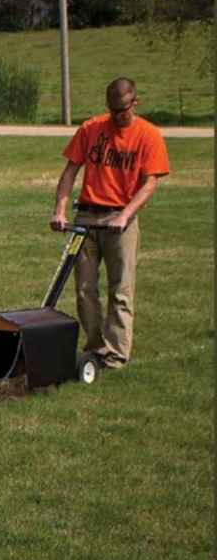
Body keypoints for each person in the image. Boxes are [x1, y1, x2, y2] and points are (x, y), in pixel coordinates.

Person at [50, 77, 170, 370]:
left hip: (121, 220)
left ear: (135, 102)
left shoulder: (148, 135)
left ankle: (116, 355)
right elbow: (70, 172)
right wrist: (60, 210)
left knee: (121, 289)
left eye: (123, 110)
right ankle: (94, 348)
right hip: (87, 219)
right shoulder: (91, 129)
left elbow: (149, 183)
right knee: (83, 289)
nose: (117, 116)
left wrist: (126, 215)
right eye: (113, 110)